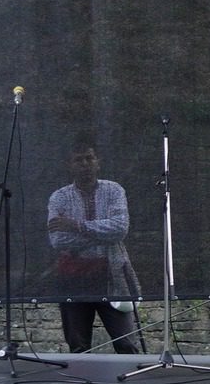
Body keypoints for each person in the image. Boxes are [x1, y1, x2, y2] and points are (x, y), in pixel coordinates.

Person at [47, 140, 144, 354]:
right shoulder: (59, 197)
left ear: (98, 162)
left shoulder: (114, 190)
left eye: (89, 158)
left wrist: (77, 226)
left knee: (126, 343)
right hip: (72, 278)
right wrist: (103, 234)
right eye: (78, 160)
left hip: (112, 275)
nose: (85, 163)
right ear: (69, 165)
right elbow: (58, 240)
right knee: (78, 346)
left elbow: (120, 229)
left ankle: (133, 376)